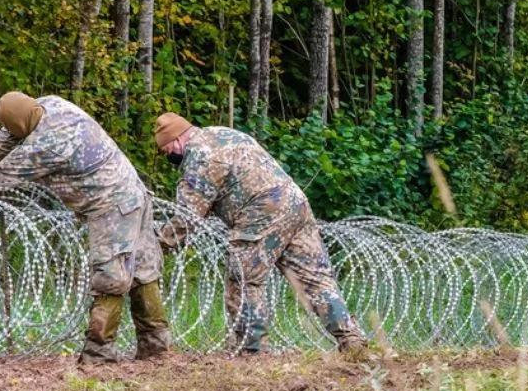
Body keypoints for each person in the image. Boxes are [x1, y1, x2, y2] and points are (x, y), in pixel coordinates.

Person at [0, 92, 170, 363]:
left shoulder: (47, 145)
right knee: (143, 270)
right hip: (132, 190)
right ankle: (155, 347)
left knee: (111, 277)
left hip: (111, 203)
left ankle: (99, 354)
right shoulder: (50, 103)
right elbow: (8, 133)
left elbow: (2, 177)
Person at [153, 112, 368, 356]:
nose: (167, 155)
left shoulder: (199, 156)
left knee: (243, 278)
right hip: (295, 205)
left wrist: (158, 244)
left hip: (262, 211)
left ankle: (251, 348)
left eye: (166, 150)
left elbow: (187, 216)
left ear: (177, 140)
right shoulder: (222, 133)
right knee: (315, 279)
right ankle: (352, 340)